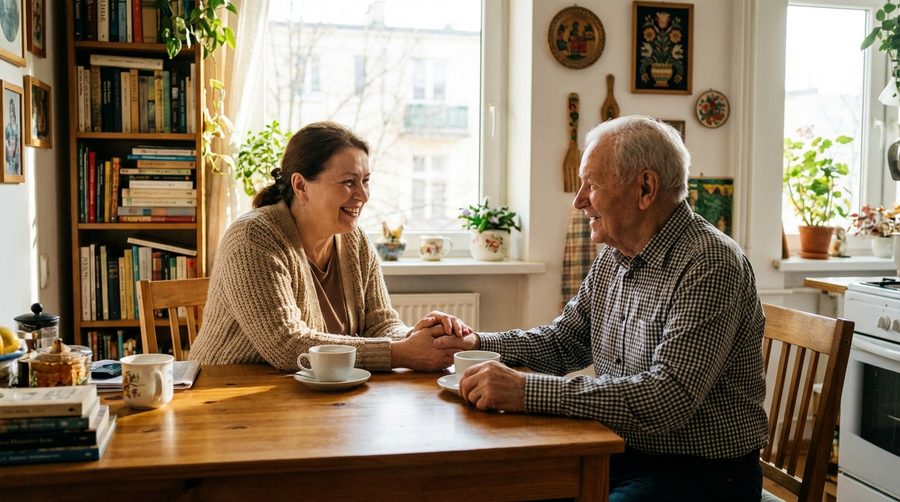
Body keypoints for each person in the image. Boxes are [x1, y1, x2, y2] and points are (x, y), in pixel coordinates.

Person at [436, 116, 768, 501]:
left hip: (704, 471)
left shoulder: (710, 263)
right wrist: (473, 342)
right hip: (618, 450)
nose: (578, 200)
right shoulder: (615, 256)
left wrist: (527, 391)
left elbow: (668, 398)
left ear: (645, 187)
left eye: (591, 184)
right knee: (496, 483)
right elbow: (564, 342)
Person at [190, 121, 471, 372]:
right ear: (301, 186)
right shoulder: (253, 237)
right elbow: (288, 345)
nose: (362, 195)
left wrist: (422, 337)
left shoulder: (355, 240)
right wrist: (400, 353)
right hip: (226, 394)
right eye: (349, 182)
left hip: (314, 394)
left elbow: (381, 324)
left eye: (365, 181)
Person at [5, 99, 19, 175]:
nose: (12, 118)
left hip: (15, 156)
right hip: (10, 157)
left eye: (13, 116)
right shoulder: (8, 128)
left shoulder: (17, 128)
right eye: (10, 116)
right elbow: (5, 141)